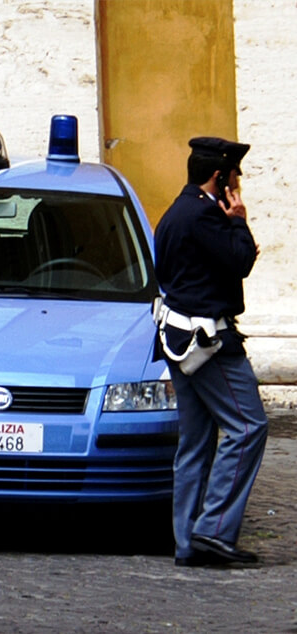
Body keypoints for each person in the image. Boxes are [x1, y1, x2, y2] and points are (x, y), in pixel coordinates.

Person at [153, 136, 268, 566]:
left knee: (196, 443)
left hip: (177, 338)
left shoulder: (173, 213)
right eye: (234, 176)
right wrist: (239, 222)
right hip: (210, 343)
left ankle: (187, 543)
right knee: (248, 426)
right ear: (219, 177)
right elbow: (239, 262)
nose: (237, 184)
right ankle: (213, 531)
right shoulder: (207, 215)